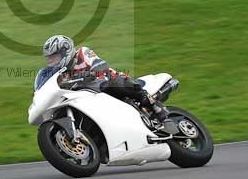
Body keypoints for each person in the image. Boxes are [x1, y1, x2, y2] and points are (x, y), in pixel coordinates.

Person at [41, 35, 169, 122]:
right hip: (92, 97)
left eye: (54, 56)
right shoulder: (62, 73)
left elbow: (100, 65)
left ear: (65, 51)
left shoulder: (82, 53)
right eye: (49, 57)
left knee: (112, 83)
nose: (51, 60)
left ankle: (156, 107)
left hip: (106, 82)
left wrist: (89, 74)